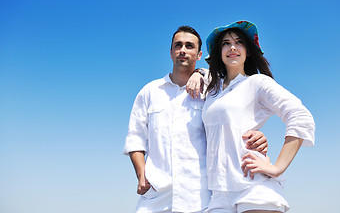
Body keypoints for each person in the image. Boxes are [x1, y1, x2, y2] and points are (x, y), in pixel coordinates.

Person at [123, 25, 269, 213]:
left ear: (199, 54)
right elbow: (135, 138)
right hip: (155, 198)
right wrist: (141, 174)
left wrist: (257, 136)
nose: (183, 50)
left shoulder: (214, 89)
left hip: (200, 199)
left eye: (189, 46)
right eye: (178, 45)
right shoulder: (149, 92)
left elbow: (232, 121)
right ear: (170, 52)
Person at [187, 21, 315, 213]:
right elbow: (208, 76)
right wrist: (197, 72)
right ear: (218, 52)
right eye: (225, 43)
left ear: (248, 50)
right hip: (219, 194)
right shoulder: (213, 89)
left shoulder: (257, 83)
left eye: (239, 42)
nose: (232, 47)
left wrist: (278, 167)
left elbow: (300, 115)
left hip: (253, 187)